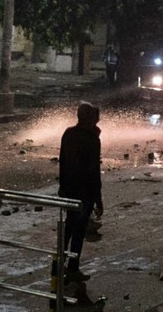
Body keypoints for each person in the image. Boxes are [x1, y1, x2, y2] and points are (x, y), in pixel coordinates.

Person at [58, 102, 104, 283]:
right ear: (91, 119)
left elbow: (63, 162)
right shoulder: (92, 139)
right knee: (78, 232)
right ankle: (73, 267)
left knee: (68, 227)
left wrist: (63, 186)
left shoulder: (68, 134)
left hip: (69, 188)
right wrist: (98, 199)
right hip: (85, 192)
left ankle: (58, 263)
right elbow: (93, 170)